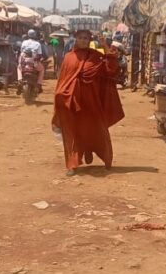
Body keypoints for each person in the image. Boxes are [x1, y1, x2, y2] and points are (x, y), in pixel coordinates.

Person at [51, 29, 124, 176]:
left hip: (91, 102)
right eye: (80, 37)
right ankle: (72, 164)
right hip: (71, 100)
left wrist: (104, 46)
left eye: (86, 38)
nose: (83, 40)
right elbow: (63, 81)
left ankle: (93, 151)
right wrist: (60, 96)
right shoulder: (68, 57)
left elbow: (111, 69)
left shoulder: (96, 56)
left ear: (90, 40)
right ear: (75, 39)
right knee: (71, 131)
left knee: (96, 129)